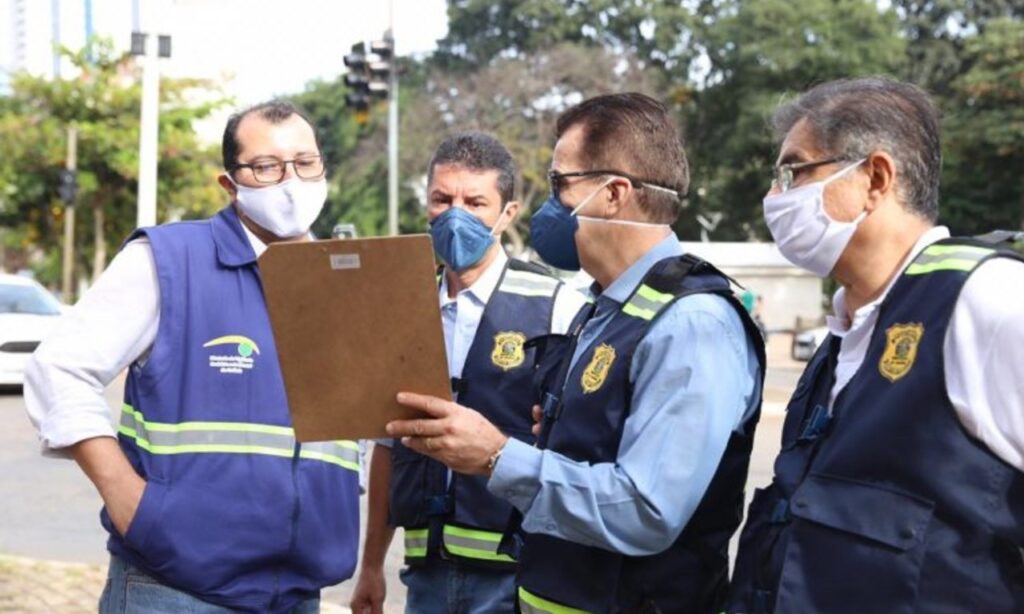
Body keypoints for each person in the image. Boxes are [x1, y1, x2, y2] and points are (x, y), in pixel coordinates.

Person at [386, 93, 765, 613]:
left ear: (614, 193)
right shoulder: (607, 309)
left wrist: (498, 455)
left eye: (561, 184)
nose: (553, 205)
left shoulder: (692, 322)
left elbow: (646, 509)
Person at [24, 100, 361, 613]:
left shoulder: (345, 285)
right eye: (267, 166)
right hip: (174, 591)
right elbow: (60, 368)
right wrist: (129, 501)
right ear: (230, 184)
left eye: (305, 162)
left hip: (295, 594)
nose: (291, 180)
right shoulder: (169, 261)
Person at [728, 77, 1024, 613]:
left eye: (794, 171)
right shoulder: (845, 335)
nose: (775, 197)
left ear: (875, 178)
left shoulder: (988, 302)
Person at [349, 132, 587, 614]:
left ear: (508, 213)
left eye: (475, 202)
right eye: (443, 199)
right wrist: (371, 565)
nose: (455, 215)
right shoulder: (402, 309)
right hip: (426, 577)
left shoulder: (558, 308)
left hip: (517, 578)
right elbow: (387, 446)